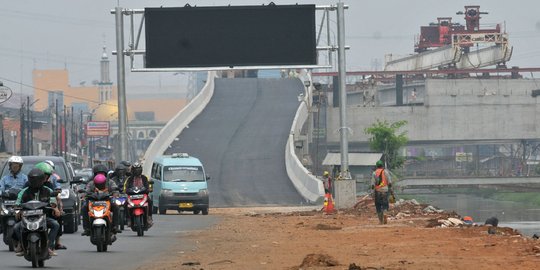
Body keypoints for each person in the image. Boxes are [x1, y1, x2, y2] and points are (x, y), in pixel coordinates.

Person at [13, 168, 61, 257]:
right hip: (27, 218)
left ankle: (49, 247)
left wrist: (55, 208)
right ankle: (23, 247)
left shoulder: (48, 190)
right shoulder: (24, 191)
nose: (35, 182)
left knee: (56, 225)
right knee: (16, 227)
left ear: (43, 179)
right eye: (33, 179)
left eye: (38, 179)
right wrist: (17, 211)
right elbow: (18, 202)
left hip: (43, 217)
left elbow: (53, 201)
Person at [33, 162, 66, 250]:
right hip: (30, 212)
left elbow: (52, 197)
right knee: (17, 225)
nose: (43, 178)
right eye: (42, 175)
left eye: (46, 176)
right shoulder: (28, 185)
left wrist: (55, 208)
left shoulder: (49, 185)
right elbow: (21, 196)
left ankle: (51, 245)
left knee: (57, 220)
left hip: (45, 211)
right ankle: (20, 245)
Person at [81, 164, 120, 236]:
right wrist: (84, 194)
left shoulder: (110, 182)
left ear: (105, 174)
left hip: (107, 200)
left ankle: (115, 226)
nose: (100, 175)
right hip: (93, 201)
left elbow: (115, 189)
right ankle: (86, 228)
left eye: (102, 173)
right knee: (84, 207)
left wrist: (115, 193)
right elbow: (86, 191)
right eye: (98, 173)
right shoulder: (91, 183)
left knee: (116, 207)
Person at [0, 156, 28, 235]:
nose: (15, 166)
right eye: (13, 165)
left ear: (20, 166)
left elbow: (27, 189)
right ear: (10, 166)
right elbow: (1, 188)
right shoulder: (4, 179)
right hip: (6, 203)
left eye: (17, 165)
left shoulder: (25, 178)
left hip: (19, 203)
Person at [371, 160, 393, 224]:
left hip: (377, 191)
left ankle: (381, 221)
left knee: (378, 206)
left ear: (377, 166)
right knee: (385, 204)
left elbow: (372, 184)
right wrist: (391, 190)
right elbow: (389, 182)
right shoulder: (386, 172)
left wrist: (372, 192)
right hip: (385, 191)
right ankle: (385, 212)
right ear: (382, 165)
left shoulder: (374, 173)